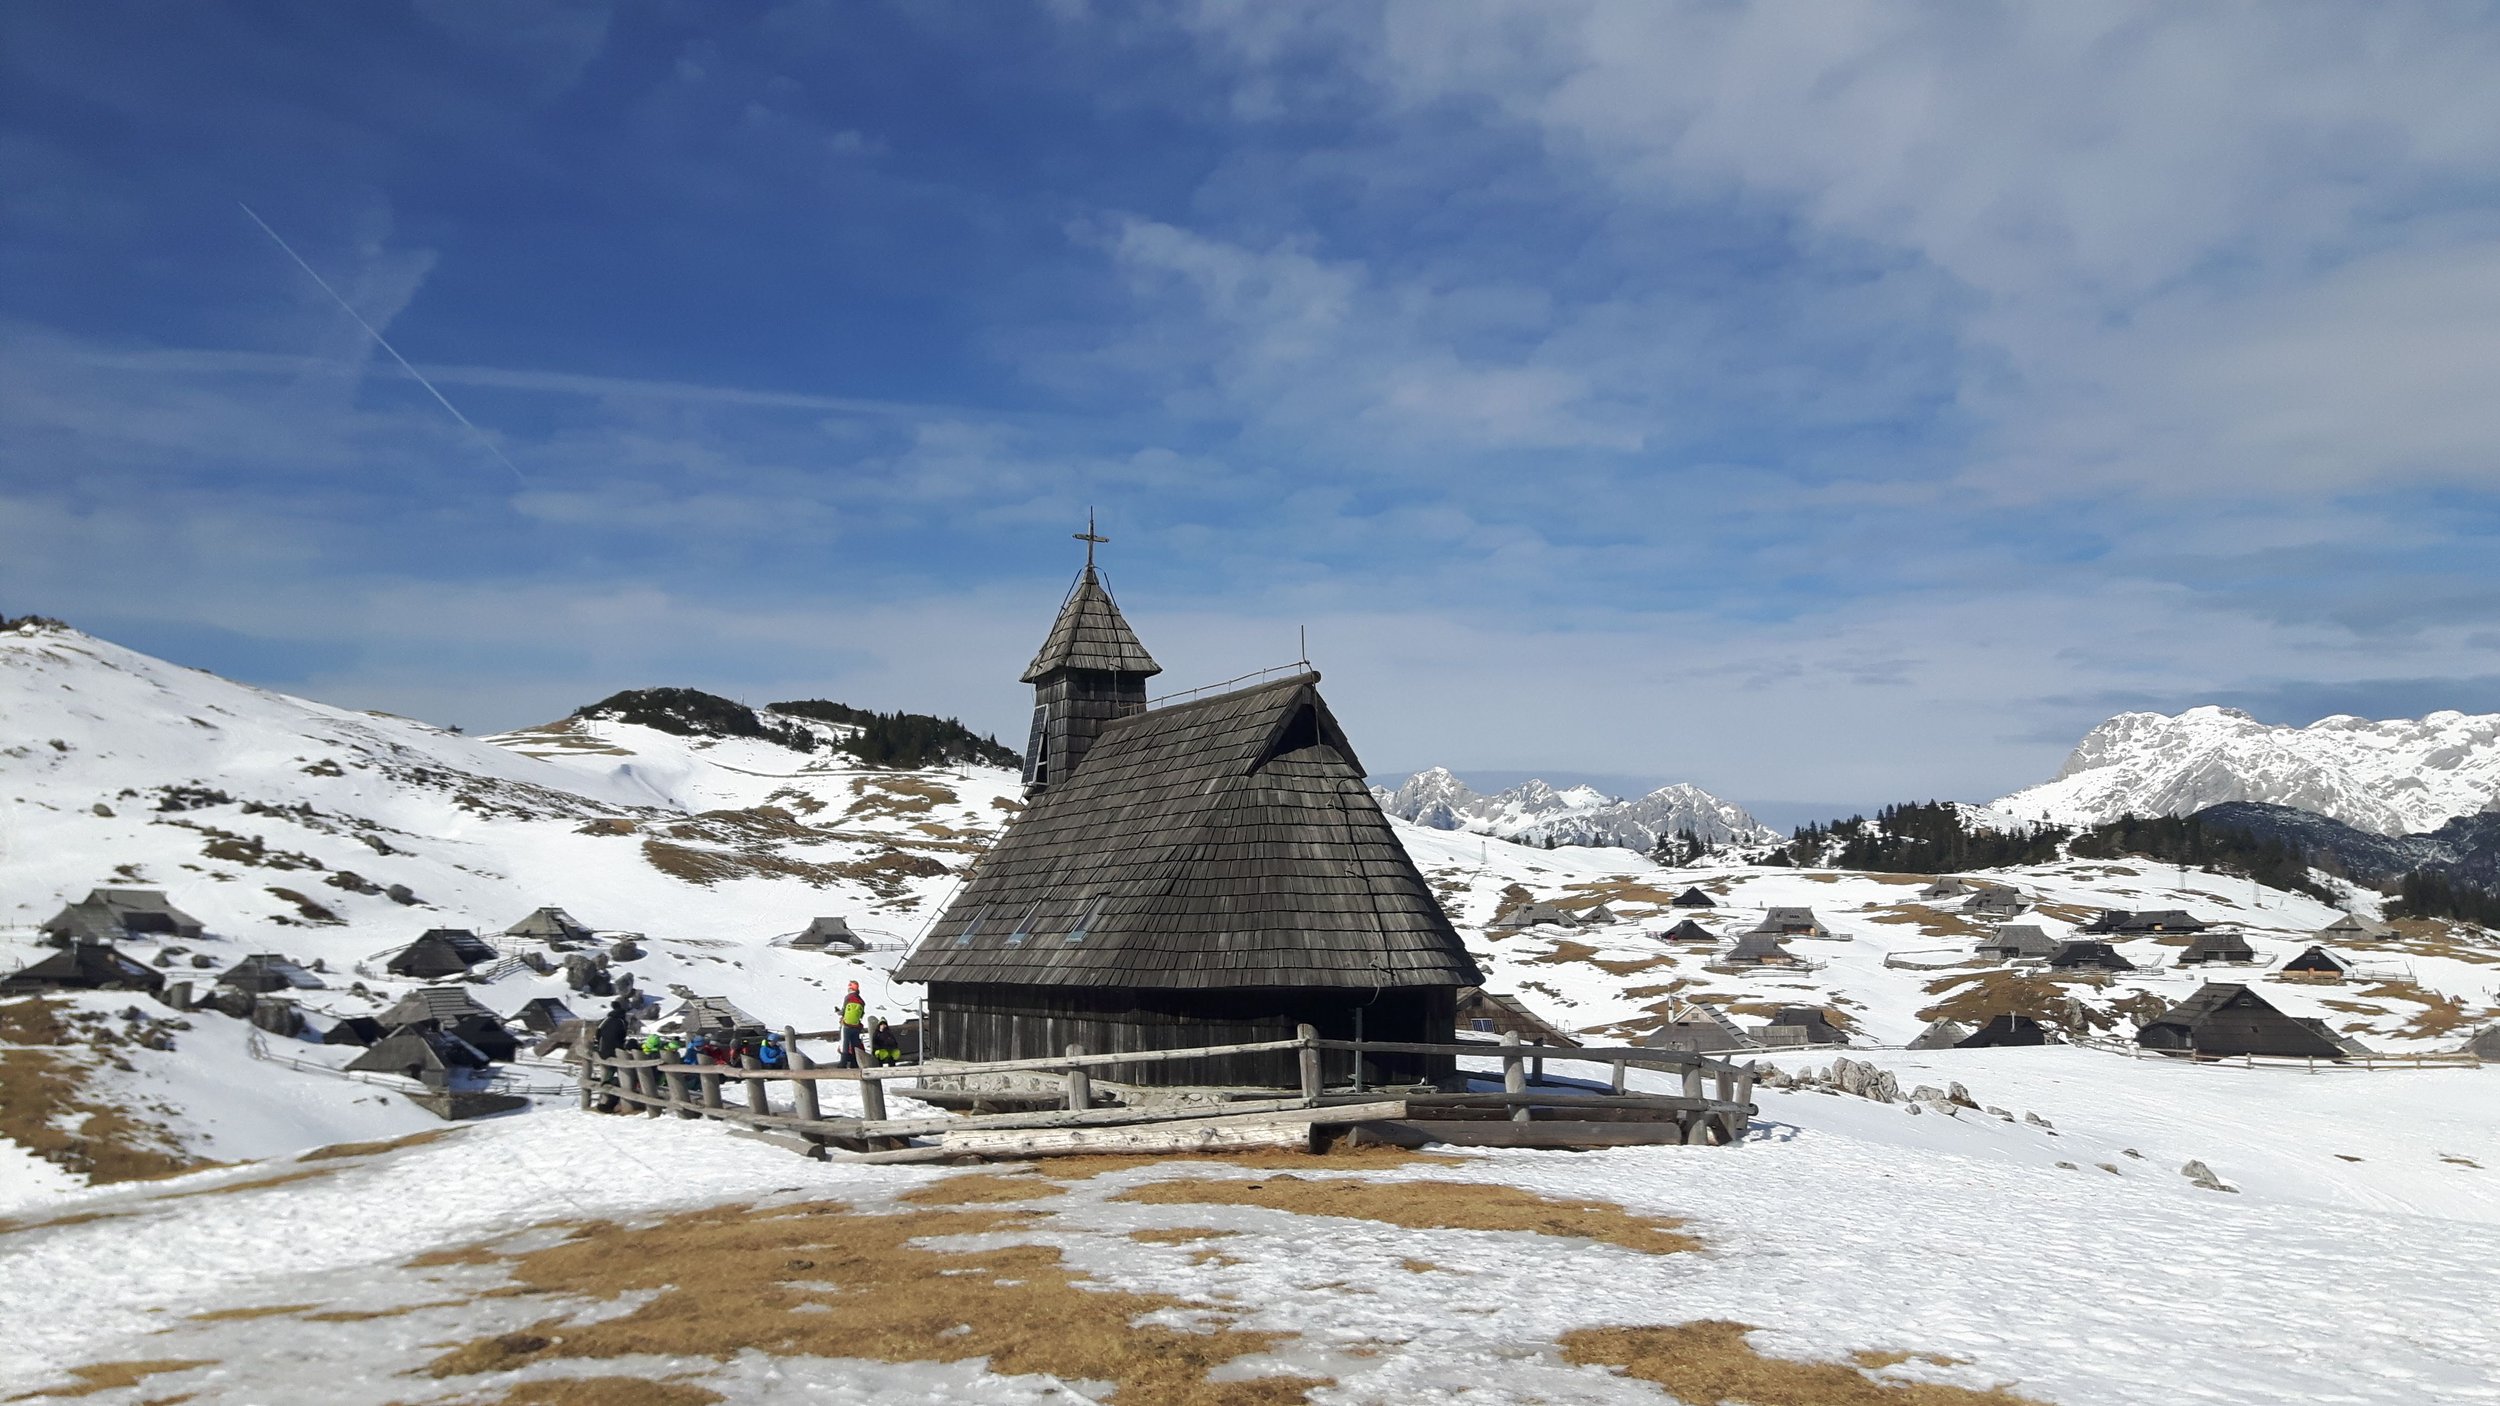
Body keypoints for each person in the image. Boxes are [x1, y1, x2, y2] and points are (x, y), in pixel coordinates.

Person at [838, 982, 868, 1069]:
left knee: (845, 1042)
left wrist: (839, 1013)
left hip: (846, 1025)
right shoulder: (861, 1000)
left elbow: (843, 1011)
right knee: (855, 1044)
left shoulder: (848, 998)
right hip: (856, 1025)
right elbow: (862, 1014)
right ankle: (855, 1063)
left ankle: (843, 1063)